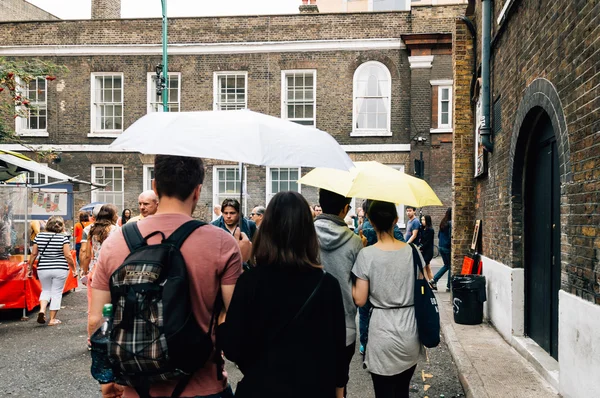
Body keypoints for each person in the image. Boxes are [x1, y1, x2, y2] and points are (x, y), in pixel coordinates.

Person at [89, 154, 242, 398]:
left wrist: (107, 378)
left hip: (136, 388)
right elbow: (235, 321)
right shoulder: (222, 242)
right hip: (203, 385)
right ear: (198, 190)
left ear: (154, 186)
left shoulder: (116, 241)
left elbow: (97, 319)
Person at [220, 191, 347, 398]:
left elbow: (233, 348)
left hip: (261, 387)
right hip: (313, 388)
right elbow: (337, 351)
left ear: (267, 229)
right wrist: (339, 390)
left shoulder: (250, 282)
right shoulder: (327, 285)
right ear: (308, 231)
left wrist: (222, 318)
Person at [352, 201, 425, 398]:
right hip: (410, 330)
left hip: (381, 331)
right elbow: (422, 288)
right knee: (402, 391)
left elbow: (360, 299)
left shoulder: (366, 255)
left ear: (371, 222)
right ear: (396, 220)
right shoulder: (413, 252)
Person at [314, 188, 364, 397]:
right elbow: (358, 290)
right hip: (344, 323)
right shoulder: (354, 241)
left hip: (311, 320)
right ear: (345, 209)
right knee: (340, 382)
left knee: (314, 380)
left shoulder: (305, 233)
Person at [356, 199, 405, 356]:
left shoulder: (362, 228)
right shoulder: (394, 228)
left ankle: (365, 343)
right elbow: (402, 246)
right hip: (387, 275)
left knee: (364, 312)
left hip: (367, 274)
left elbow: (357, 251)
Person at [27, 216, 76, 326]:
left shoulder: (39, 236)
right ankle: (52, 319)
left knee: (45, 290)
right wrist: (74, 269)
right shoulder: (63, 238)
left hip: (43, 268)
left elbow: (34, 254)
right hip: (60, 268)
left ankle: (42, 310)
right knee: (56, 292)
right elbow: (68, 255)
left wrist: (30, 268)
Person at [82, 204, 119, 341]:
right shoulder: (116, 230)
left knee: (93, 307)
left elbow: (87, 253)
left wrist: (84, 270)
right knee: (113, 304)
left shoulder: (90, 229)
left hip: (95, 269)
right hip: (111, 268)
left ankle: (92, 339)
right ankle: (110, 336)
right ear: (113, 215)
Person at [212, 199, 254, 263]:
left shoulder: (250, 225)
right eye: (225, 213)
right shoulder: (213, 227)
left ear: (238, 213)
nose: (228, 216)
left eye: (232, 213)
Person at [432, 207, 452, 292]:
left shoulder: (443, 222)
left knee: (446, 265)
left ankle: (434, 280)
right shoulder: (450, 223)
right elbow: (451, 236)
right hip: (447, 247)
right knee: (449, 266)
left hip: (440, 246)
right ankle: (448, 285)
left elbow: (439, 235)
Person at [417, 214, 435, 286]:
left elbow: (427, 242)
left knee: (424, 266)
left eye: (424, 220)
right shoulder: (422, 229)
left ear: (427, 220)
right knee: (428, 267)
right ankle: (433, 283)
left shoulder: (430, 230)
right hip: (423, 251)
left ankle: (427, 284)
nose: (422, 221)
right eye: (421, 220)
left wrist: (420, 247)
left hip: (428, 251)